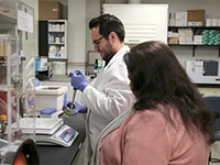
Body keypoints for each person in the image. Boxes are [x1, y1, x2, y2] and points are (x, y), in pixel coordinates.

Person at [90, 41, 216, 165]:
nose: (130, 84)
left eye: (131, 77)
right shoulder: (187, 106)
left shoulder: (152, 121)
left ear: (143, 80)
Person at [69, 14, 135, 164]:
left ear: (112, 37)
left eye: (97, 42)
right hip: (102, 142)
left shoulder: (122, 65)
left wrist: (84, 88)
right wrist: (86, 109)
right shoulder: (113, 62)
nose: (95, 48)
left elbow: (118, 109)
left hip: (111, 147)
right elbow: (106, 96)